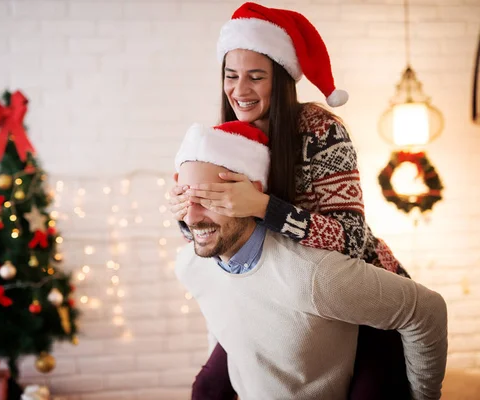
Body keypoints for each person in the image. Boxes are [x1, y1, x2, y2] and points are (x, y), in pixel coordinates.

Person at [168, 2, 414, 399]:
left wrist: (263, 207)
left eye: (256, 77)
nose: (239, 90)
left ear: (280, 79)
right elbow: (221, 234)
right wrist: (186, 215)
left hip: (359, 297)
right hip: (278, 297)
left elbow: (351, 239)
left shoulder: (321, 132)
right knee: (209, 387)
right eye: (231, 76)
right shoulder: (222, 139)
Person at [173, 120, 447, 400]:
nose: (191, 217)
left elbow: (427, 309)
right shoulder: (189, 265)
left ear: (250, 192)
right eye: (184, 198)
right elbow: (221, 316)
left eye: (209, 198)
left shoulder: (313, 276)